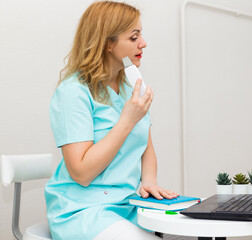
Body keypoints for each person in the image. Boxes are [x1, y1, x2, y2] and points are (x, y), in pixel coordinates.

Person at [44, 1, 178, 239]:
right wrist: (126, 121)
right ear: (108, 43)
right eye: (134, 37)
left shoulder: (131, 87)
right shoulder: (73, 92)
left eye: (141, 35)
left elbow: (146, 146)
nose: (143, 43)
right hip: (83, 210)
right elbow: (81, 173)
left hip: (128, 206)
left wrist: (150, 183)